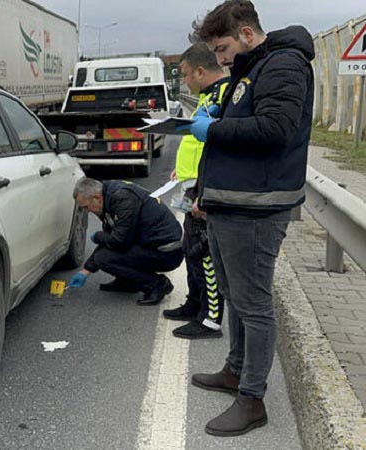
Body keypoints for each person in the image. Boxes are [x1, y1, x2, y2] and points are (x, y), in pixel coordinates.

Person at [179, 0, 314, 437]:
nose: (219, 60)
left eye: (222, 48)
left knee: (254, 306)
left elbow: (275, 129)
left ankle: (252, 399)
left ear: (247, 34)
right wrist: (222, 120)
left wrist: (215, 129)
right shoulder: (253, 67)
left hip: (257, 208)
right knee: (235, 297)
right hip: (232, 203)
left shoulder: (284, 65)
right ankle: (235, 371)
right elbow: (249, 122)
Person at [163, 43, 230, 340]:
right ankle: (194, 303)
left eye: (186, 74)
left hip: (205, 188)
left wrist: (205, 191)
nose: (184, 81)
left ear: (201, 71)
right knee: (191, 250)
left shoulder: (225, 96)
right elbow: (197, 142)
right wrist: (182, 170)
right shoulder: (207, 96)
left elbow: (221, 148)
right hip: (191, 183)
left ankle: (210, 318)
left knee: (205, 255)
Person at [67, 177, 184, 305]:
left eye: (86, 207)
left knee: (104, 258)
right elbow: (111, 238)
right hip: (151, 244)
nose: (87, 211)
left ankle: (156, 284)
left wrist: (97, 236)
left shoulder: (123, 200)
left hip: (166, 252)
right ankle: (127, 281)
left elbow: (118, 241)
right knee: (107, 252)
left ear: (96, 198)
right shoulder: (108, 197)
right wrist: (86, 270)